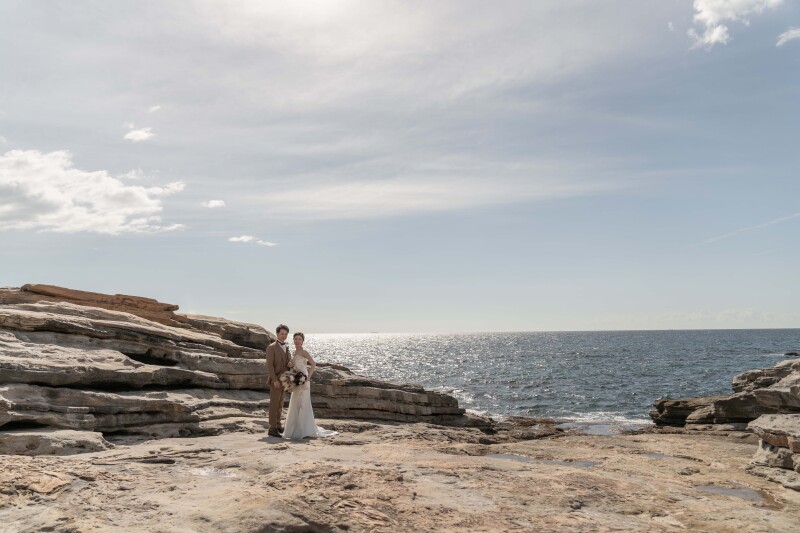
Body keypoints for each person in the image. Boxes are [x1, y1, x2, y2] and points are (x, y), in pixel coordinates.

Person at [282, 332, 338, 440]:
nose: (297, 340)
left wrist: (308, 377)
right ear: (293, 340)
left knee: (303, 402)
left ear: (302, 341)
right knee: (295, 402)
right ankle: (293, 429)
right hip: (296, 379)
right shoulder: (294, 352)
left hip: (303, 379)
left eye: (299, 339)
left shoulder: (304, 352)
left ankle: (304, 430)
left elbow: (313, 364)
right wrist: (291, 366)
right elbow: (293, 366)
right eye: (295, 339)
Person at [266, 324, 291, 437]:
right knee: (274, 404)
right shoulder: (271, 347)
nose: (284, 336)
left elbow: (288, 363)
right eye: (282, 334)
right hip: (275, 380)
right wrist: (275, 380)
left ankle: (278, 424)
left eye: (285, 334)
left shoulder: (286, 347)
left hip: (284, 381)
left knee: (280, 404)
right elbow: (269, 366)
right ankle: (272, 428)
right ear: (277, 334)